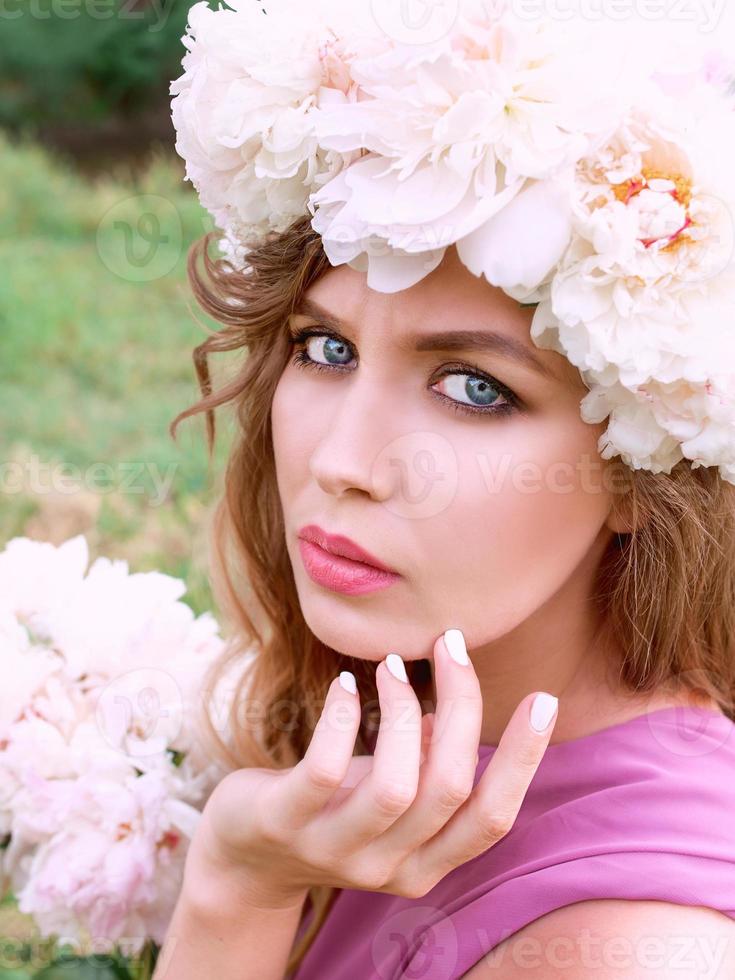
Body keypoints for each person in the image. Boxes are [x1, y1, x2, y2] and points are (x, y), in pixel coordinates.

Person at [154, 3, 735, 977]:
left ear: (647, 466)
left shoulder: (634, 946)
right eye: (325, 348)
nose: (343, 459)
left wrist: (231, 891)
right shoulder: (392, 705)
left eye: (474, 387)